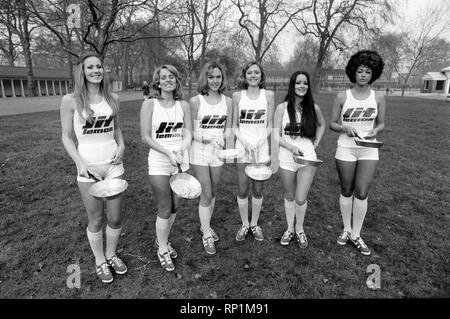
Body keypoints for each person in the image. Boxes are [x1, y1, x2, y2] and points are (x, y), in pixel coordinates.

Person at [60, 52, 127, 284]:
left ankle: (111, 254)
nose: (96, 70)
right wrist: (79, 163)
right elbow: (67, 137)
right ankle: (100, 259)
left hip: (113, 166)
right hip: (87, 168)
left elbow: (116, 128)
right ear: (83, 71)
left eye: (99, 66)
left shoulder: (113, 98)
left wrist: (122, 145)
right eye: (90, 67)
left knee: (116, 217)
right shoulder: (70, 100)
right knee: (96, 219)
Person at [329, 50, 386, 256]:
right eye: (360, 71)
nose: (363, 75)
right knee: (346, 189)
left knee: (361, 192)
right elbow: (332, 123)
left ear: (373, 74)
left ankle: (356, 234)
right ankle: (346, 229)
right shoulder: (342, 96)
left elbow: (381, 124)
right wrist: (344, 128)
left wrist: (375, 130)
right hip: (346, 148)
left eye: (368, 71)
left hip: (368, 149)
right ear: (353, 72)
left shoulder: (378, 96)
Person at [140, 65, 192, 271]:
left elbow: (188, 132)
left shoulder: (184, 105)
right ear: (157, 82)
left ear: (176, 80)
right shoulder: (150, 104)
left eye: (171, 77)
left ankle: (161, 240)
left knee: (175, 206)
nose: (168, 80)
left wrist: (181, 148)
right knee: (164, 206)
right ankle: (162, 248)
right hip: (159, 161)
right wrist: (168, 152)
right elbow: (145, 136)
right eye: (163, 78)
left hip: (180, 159)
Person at [273, 71, 325, 248]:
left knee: (301, 198)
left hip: (307, 159)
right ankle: (289, 229)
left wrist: (316, 143)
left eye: (305, 83)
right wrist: (290, 147)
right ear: (292, 85)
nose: (301, 86)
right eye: (298, 83)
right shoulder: (282, 108)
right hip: (286, 158)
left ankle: (300, 229)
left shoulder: (313, 108)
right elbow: (275, 135)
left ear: (308, 86)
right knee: (289, 195)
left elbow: (322, 125)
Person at [189, 61, 233, 255]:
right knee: (206, 192)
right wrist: (205, 138)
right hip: (199, 151)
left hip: (218, 152)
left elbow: (229, 128)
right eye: (211, 77)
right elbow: (189, 131)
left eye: (218, 77)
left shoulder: (228, 101)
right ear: (205, 78)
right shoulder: (196, 101)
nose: (215, 80)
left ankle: (204, 224)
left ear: (222, 78)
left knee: (212, 192)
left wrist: (222, 139)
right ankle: (207, 233)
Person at [232, 61, 274, 241]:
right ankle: (244, 224)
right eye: (250, 72)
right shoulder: (237, 96)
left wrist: (258, 142)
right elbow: (234, 126)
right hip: (242, 149)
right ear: (245, 75)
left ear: (261, 75)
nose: (253, 75)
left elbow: (270, 125)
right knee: (242, 190)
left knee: (257, 190)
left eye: (257, 72)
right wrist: (245, 143)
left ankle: (254, 224)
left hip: (261, 149)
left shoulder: (269, 95)